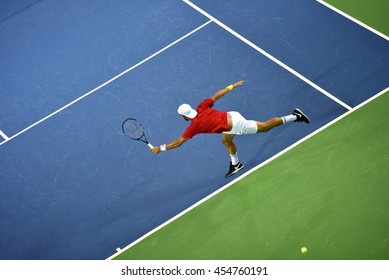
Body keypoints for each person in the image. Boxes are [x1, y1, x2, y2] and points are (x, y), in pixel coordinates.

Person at [150, 80, 310, 178]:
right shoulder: (201, 106)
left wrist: (160, 148)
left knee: (265, 127)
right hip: (232, 116)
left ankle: (295, 116)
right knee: (226, 140)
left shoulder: (194, 126)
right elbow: (217, 95)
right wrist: (233, 85)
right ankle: (236, 164)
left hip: (236, 125)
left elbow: (178, 143)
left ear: (184, 117)